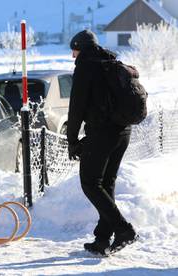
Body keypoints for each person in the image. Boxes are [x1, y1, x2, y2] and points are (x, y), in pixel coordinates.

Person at [67, 30, 138, 255]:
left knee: (90, 183)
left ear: (81, 48)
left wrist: (72, 140)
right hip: (123, 131)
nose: (72, 56)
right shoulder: (111, 60)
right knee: (106, 184)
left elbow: (76, 108)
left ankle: (124, 229)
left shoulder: (85, 67)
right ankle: (102, 240)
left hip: (102, 133)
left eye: (74, 51)